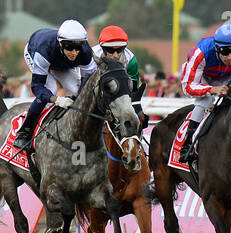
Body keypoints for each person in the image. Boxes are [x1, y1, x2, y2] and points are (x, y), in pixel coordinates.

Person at [13, 20, 96, 154]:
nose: (74, 52)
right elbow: (37, 87)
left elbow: (88, 84)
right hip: (35, 52)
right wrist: (56, 99)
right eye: (69, 47)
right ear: (61, 43)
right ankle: (24, 132)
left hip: (61, 62)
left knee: (77, 90)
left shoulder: (86, 52)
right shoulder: (44, 49)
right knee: (50, 89)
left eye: (78, 47)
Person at [177, 22, 231, 163]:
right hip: (203, 78)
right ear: (216, 48)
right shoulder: (201, 53)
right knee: (205, 100)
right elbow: (188, 88)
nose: (230, 57)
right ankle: (187, 143)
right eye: (225, 52)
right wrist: (212, 90)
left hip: (227, 76)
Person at [93, 26, 140, 98]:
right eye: (111, 50)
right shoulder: (92, 57)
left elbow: (134, 91)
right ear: (103, 49)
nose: (115, 55)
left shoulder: (131, 61)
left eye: (119, 50)